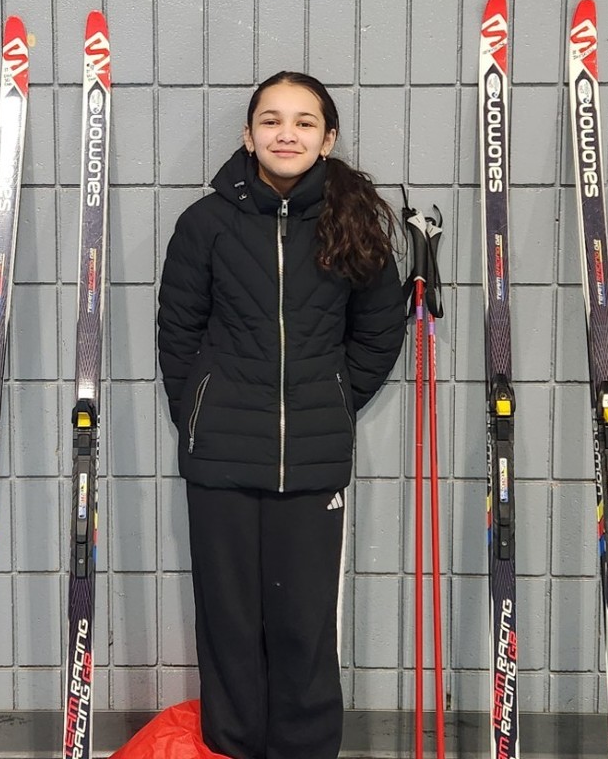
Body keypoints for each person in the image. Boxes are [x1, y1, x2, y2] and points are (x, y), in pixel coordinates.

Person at [157, 71, 406, 759]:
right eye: (271, 120)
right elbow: (177, 335)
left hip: (314, 458)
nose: (285, 133)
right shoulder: (204, 224)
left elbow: (380, 330)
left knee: (303, 625)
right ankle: (230, 748)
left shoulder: (354, 222)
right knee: (229, 624)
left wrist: (331, 396)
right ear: (248, 135)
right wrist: (201, 411)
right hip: (220, 460)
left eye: (303, 122)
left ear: (326, 140)